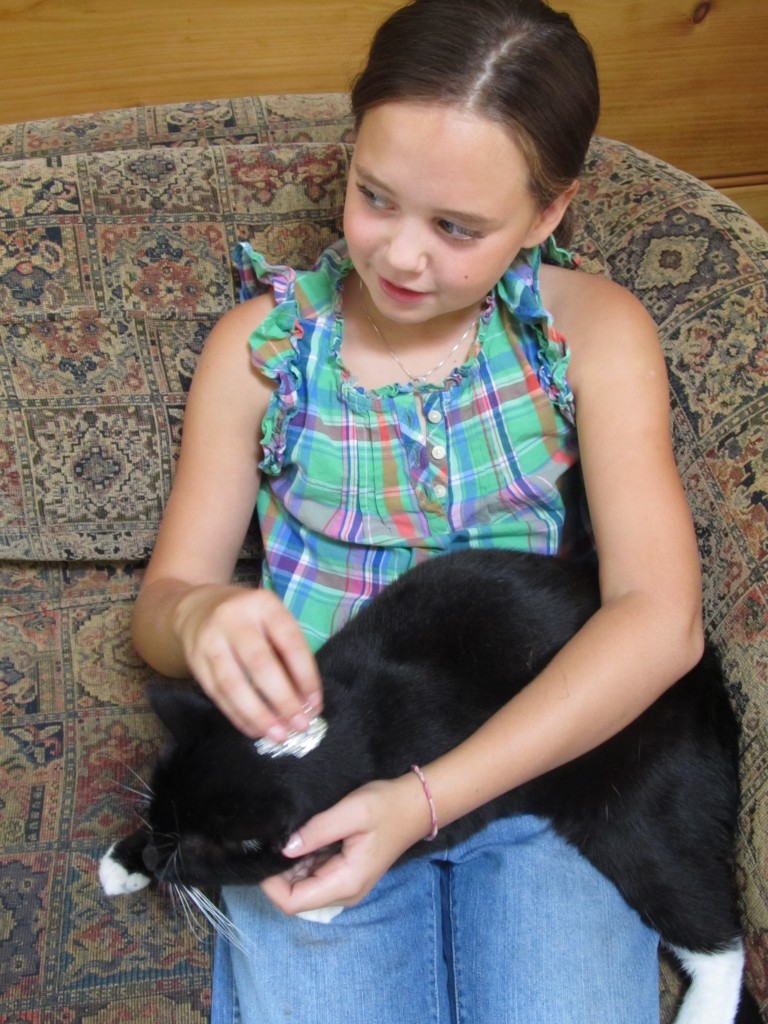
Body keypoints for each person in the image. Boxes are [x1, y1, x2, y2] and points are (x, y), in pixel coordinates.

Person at [131, 0, 704, 1020]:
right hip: (313, 784)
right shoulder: (259, 353)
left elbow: (661, 620)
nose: (400, 256)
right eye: (374, 197)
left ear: (548, 214)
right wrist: (198, 614)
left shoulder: (595, 335)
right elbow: (165, 600)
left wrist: (428, 800)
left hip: (539, 767)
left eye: (456, 228)